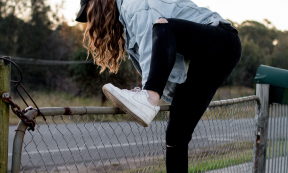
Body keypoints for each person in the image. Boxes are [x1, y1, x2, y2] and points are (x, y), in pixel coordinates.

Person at [75, 0, 241, 172]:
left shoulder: (135, 4)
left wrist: (149, 92)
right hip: (207, 60)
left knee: (163, 26)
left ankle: (148, 98)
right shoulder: (127, 18)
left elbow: (153, 41)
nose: (91, 20)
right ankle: (149, 97)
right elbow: (164, 54)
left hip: (222, 41)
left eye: (89, 12)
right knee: (176, 136)